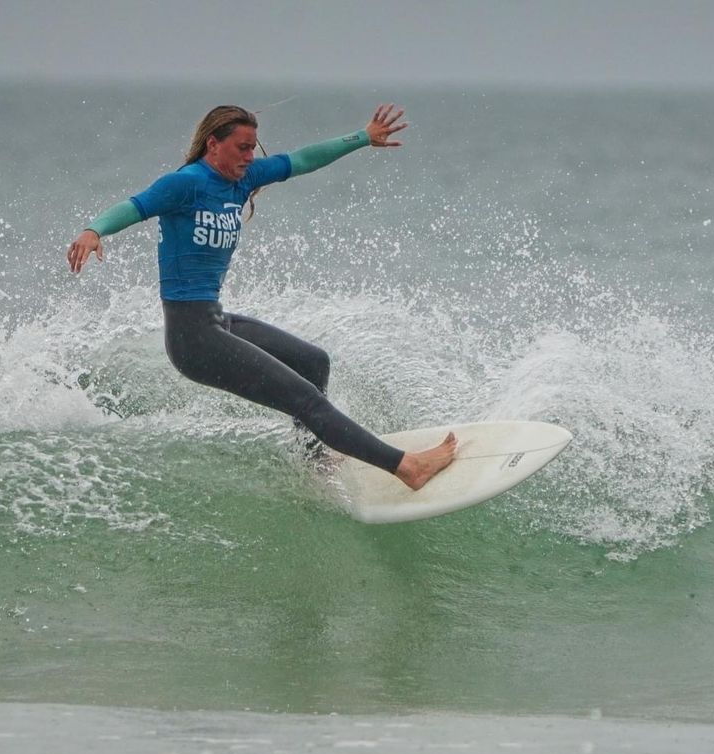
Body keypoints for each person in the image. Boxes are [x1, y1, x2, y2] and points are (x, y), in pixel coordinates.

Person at [67, 104, 456, 490]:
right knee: (305, 399)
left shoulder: (242, 179)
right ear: (213, 144)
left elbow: (302, 159)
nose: (250, 156)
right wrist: (94, 230)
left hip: (215, 320)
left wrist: (363, 137)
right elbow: (134, 206)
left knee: (313, 362)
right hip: (192, 338)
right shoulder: (184, 184)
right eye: (242, 147)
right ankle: (408, 468)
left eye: (253, 147)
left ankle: (315, 460)